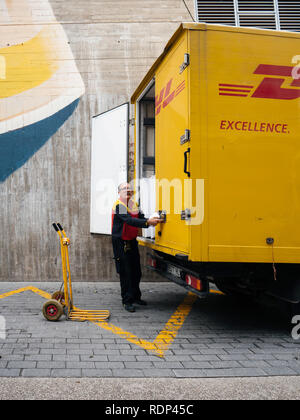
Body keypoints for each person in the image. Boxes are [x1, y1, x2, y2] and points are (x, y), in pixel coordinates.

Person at [111, 182, 162, 312]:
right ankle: (127, 301)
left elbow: (141, 217)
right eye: (124, 189)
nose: (127, 190)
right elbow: (129, 220)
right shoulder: (119, 205)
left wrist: (152, 220)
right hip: (121, 242)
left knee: (136, 271)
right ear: (119, 192)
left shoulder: (134, 204)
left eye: (129, 189)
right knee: (125, 272)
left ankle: (135, 297)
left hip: (132, 241)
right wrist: (147, 222)